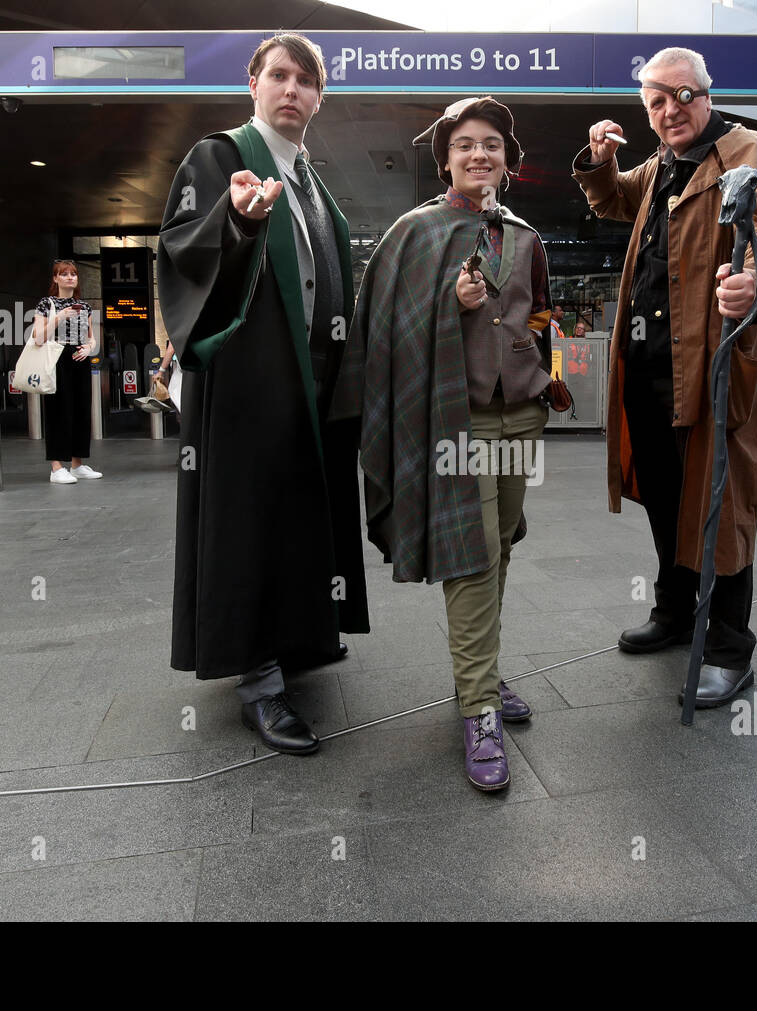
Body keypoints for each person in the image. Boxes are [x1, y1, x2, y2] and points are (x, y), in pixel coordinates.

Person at [157, 32, 369, 755]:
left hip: (307, 386)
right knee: (251, 522)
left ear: (319, 97)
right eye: (278, 74)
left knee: (299, 514)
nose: (291, 90)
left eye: (306, 81)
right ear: (253, 82)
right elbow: (184, 250)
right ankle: (258, 678)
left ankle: (302, 635)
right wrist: (239, 222)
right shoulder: (220, 157)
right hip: (250, 385)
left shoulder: (309, 179)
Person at [334, 97, 552, 792]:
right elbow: (383, 324)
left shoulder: (524, 235)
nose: (480, 154)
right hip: (456, 421)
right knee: (473, 555)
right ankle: (479, 705)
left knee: (504, 540)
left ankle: (479, 669)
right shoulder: (416, 231)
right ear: (447, 159)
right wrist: (446, 307)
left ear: (509, 161)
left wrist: (537, 365)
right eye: (466, 145)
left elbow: (540, 310)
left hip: (518, 414)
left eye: (492, 144)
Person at [572, 47, 757, 711]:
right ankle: (675, 610)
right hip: (647, 367)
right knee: (669, 497)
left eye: (681, 94)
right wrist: (602, 159)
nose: (670, 109)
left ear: (706, 93)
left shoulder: (748, 152)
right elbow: (614, 200)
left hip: (710, 366)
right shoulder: (662, 166)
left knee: (719, 504)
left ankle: (730, 648)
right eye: (656, 102)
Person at [32, 259, 102, 484]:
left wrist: (88, 348)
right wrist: (59, 317)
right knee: (57, 411)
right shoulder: (46, 304)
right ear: (55, 279)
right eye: (64, 274)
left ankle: (77, 464)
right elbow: (38, 337)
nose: (70, 277)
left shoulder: (85, 306)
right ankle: (56, 466)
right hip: (56, 358)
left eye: (73, 274)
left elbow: (92, 338)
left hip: (79, 359)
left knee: (81, 410)